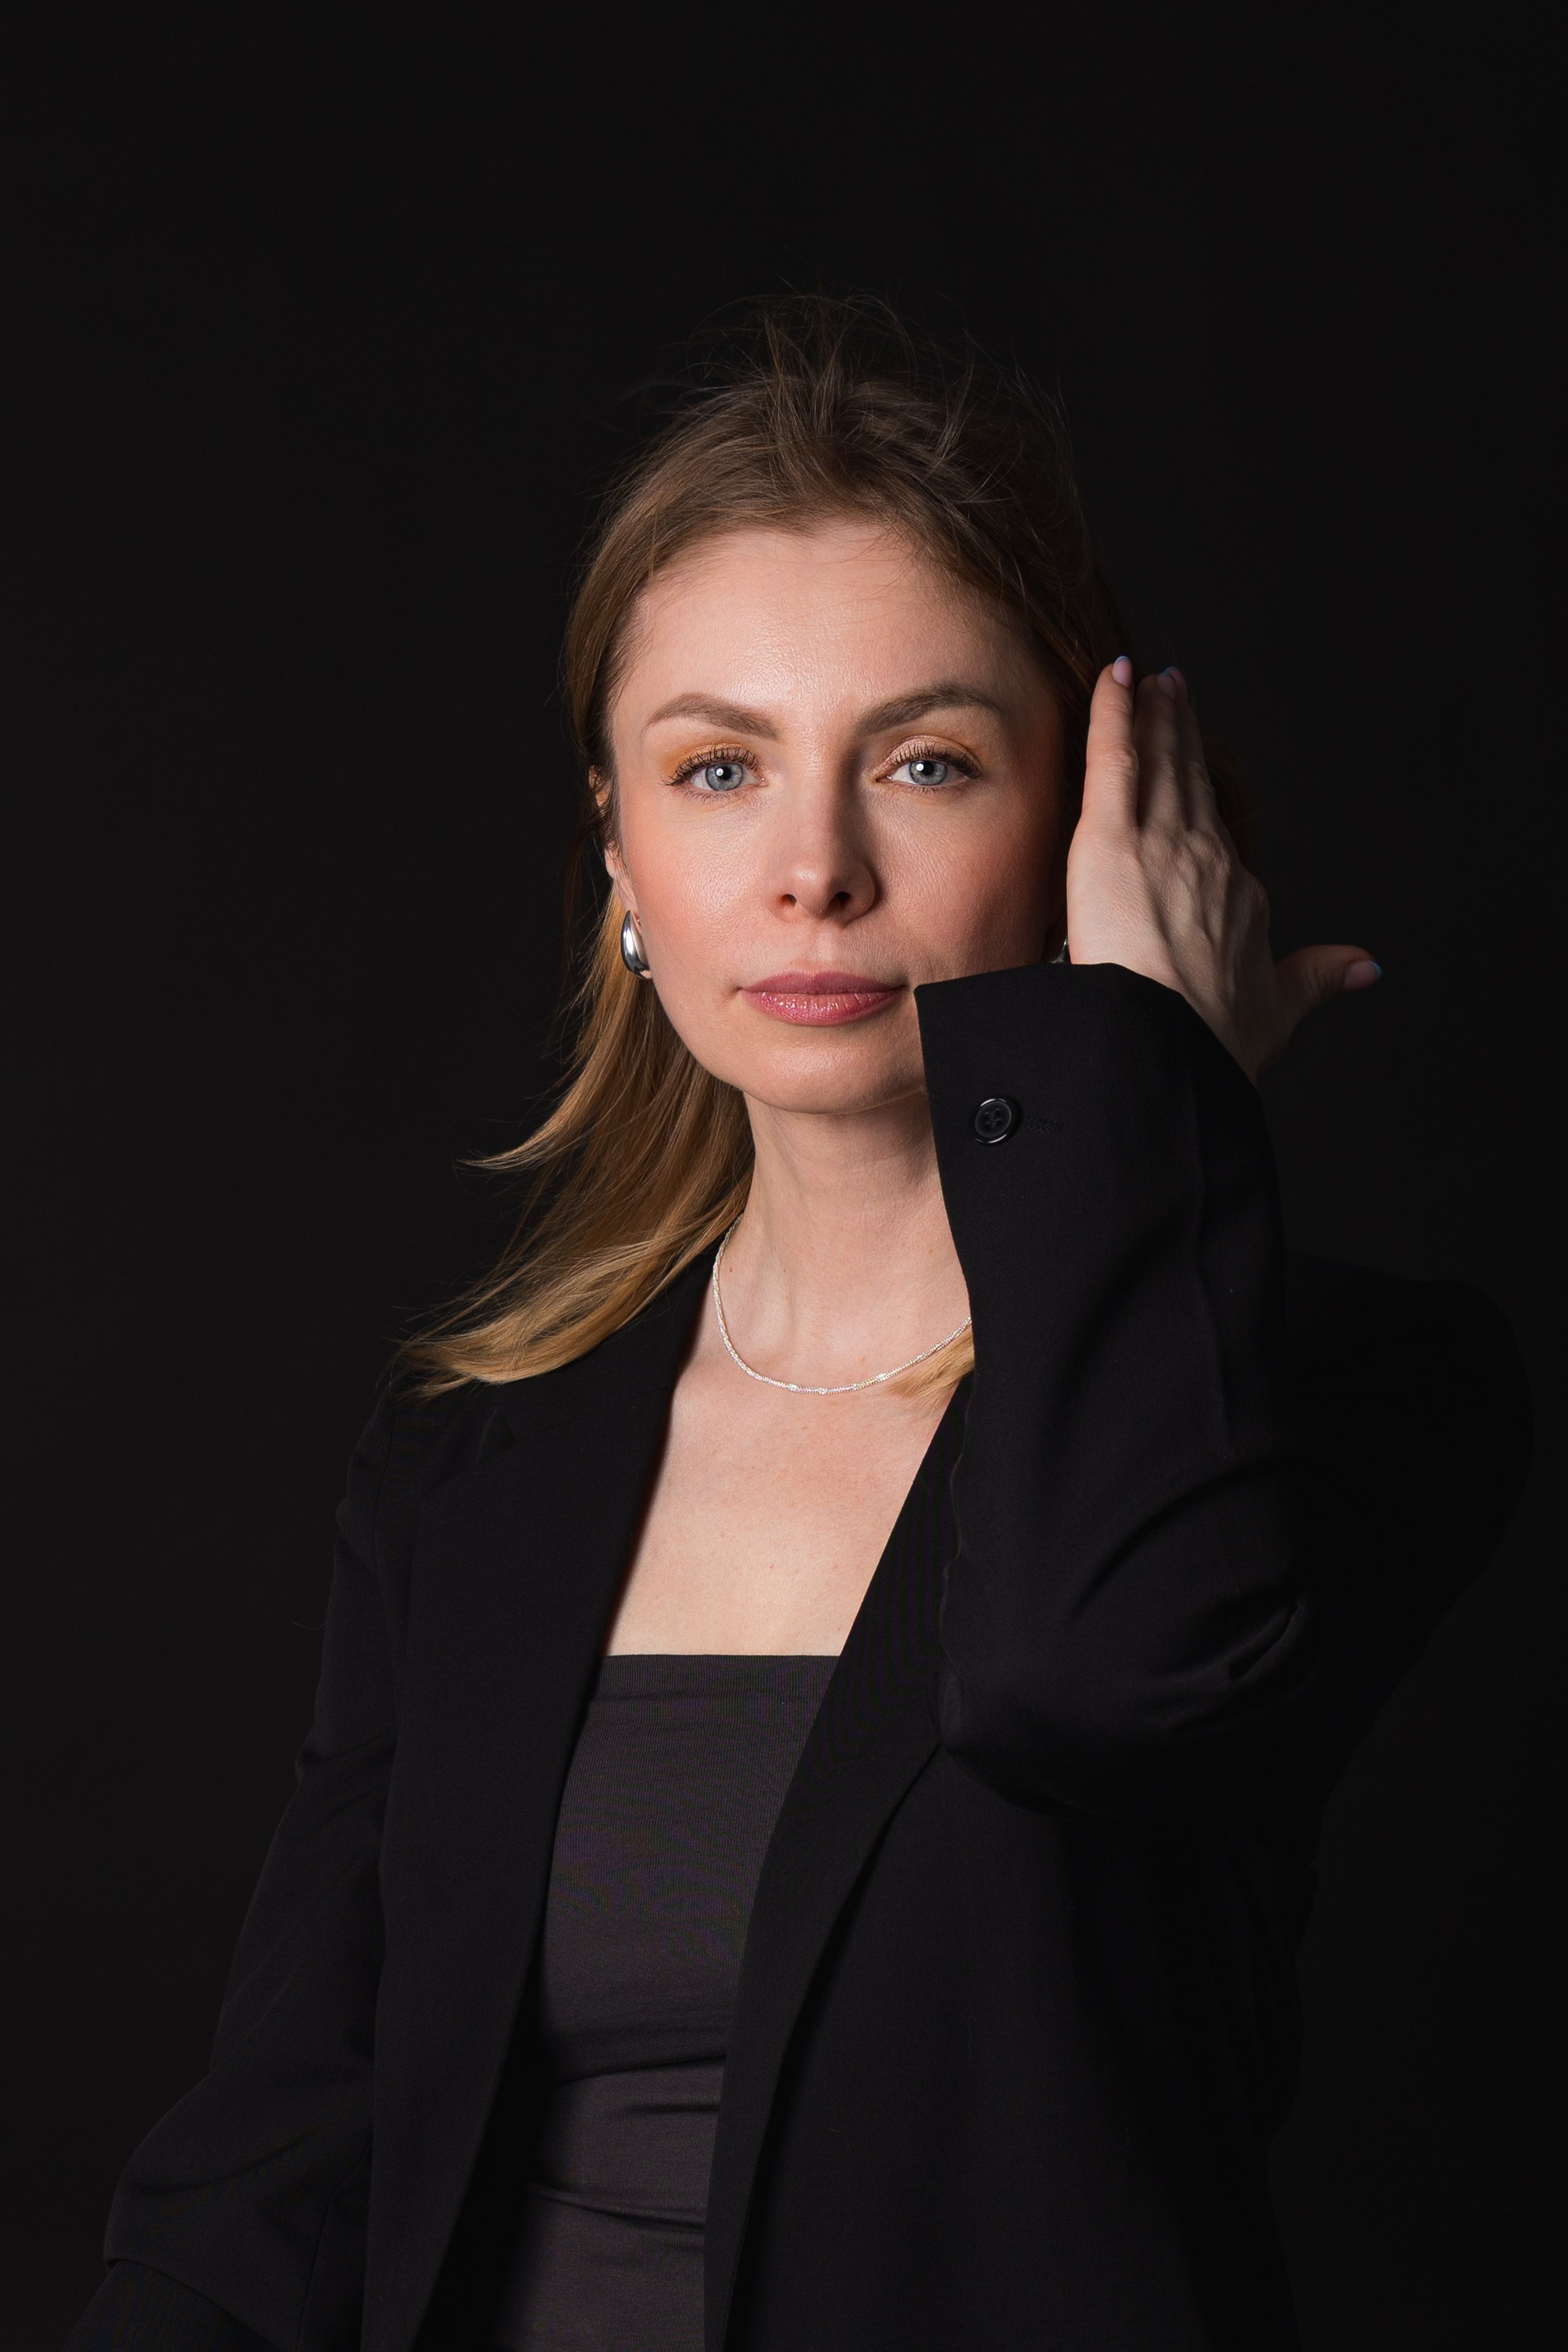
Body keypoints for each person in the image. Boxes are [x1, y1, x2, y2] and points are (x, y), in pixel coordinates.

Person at [66, 300, 1530, 2352]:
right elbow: (274, 2169)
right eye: (719, 767)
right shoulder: (471, 1456)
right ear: (620, 849)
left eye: (926, 762)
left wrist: (1141, 1083)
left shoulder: (1338, 1392)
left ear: (1094, 827)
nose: (815, 870)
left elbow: (1089, 1687)